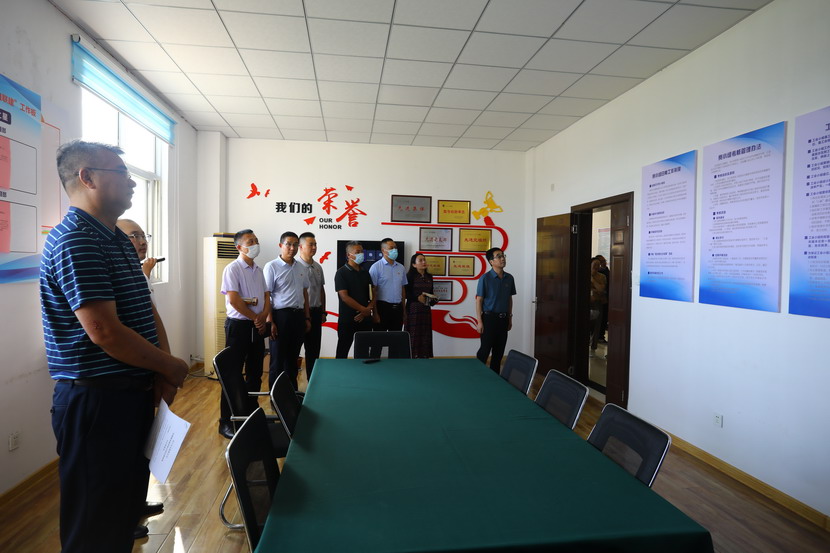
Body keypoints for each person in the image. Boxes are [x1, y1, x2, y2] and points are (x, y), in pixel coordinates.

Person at [41, 140, 189, 553]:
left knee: (123, 513)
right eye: (122, 174)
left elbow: (145, 308)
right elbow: (104, 331)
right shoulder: (76, 239)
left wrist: (163, 368)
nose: (132, 183)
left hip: (131, 395)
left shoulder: (116, 239)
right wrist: (171, 366)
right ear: (87, 177)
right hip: (97, 402)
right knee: (95, 524)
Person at [115, 218, 167, 532]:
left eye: (142, 235)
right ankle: (124, 516)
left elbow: (152, 318)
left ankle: (136, 503)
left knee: (142, 449)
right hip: (122, 381)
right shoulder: (118, 274)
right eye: (133, 236)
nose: (142, 241)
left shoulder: (136, 273)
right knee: (123, 455)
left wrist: (165, 367)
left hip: (145, 377)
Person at [219, 229, 270, 439]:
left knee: (255, 372)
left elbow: (267, 297)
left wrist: (262, 317)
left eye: (256, 240)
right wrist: (255, 318)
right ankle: (226, 421)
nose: (255, 244)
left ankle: (250, 414)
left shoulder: (259, 270)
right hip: (238, 326)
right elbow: (233, 300)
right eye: (250, 241)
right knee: (231, 374)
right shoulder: (232, 269)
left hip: (257, 326)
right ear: (239, 247)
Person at [264, 231, 310, 391]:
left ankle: (291, 394)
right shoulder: (271, 266)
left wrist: (307, 318)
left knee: (292, 359)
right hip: (280, 317)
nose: (292, 248)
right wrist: (270, 321)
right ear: (280, 245)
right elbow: (267, 295)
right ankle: (276, 398)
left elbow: (305, 293)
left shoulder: (300, 267)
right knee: (277, 360)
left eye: (295, 244)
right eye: (288, 244)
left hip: (298, 317)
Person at [475, 247, 516, 373]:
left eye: (503, 255)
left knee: (499, 353)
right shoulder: (485, 278)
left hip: (503, 319)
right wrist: (479, 321)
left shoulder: (509, 278)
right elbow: (479, 300)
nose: (502, 258)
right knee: (485, 350)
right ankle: (476, 375)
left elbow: (509, 299)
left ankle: (495, 378)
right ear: (491, 261)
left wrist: (510, 318)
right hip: (489, 319)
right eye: (499, 256)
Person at [334, 241, 374, 358]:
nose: (361, 254)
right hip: (348, 319)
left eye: (362, 251)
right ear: (349, 255)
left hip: (365, 319)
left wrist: (367, 310)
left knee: (363, 352)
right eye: (357, 252)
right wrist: (363, 310)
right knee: (342, 351)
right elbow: (344, 297)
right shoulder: (341, 273)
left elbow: (373, 294)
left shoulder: (365, 273)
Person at [297, 232, 326, 380]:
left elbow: (321, 290)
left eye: (315, 244)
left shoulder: (318, 267)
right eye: (311, 244)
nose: (314, 247)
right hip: (299, 314)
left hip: (315, 312)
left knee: (314, 350)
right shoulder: (295, 267)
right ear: (301, 246)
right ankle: (291, 386)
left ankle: (312, 382)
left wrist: (323, 312)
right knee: (294, 350)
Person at [368, 238, 407, 332]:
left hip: (397, 309)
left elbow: (402, 289)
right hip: (382, 308)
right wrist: (375, 313)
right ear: (383, 250)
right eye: (391, 248)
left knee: (396, 339)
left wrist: (404, 310)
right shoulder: (376, 267)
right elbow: (372, 291)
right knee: (379, 339)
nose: (395, 250)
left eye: (395, 247)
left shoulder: (401, 267)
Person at [404, 253, 434, 358]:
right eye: (420, 260)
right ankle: (412, 357)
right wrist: (417, 298)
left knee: (425, 334)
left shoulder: (429, 277)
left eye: (424, 260)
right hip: (413, 309)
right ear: (414, 264)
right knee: (414, 334)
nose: (424, 262)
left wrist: (433, 299)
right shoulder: (409, 276)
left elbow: (431, 292)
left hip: (425, 309)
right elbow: (406, 294)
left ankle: (424, 356)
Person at [589, 257, 608, 358]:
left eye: (598, 264)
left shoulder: (602, 276)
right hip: (587, 303)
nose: (596, 266)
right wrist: (595, 289)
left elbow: (601, 289)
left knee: (596, 326)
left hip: (598, 303)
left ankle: (593, 347)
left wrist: (592, 280)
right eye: (594, 264)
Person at [594, 255, 610, 344]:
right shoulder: (598, 273)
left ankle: (600, 337)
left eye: (604, 261)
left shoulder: (605, 273)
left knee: (603, 319)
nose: (604, 263)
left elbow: (602, 288)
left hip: (604, 298)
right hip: (594, 299)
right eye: (602, 261)